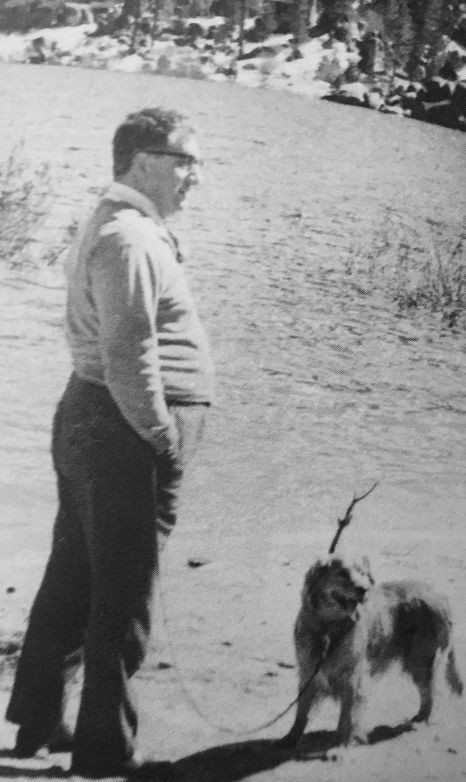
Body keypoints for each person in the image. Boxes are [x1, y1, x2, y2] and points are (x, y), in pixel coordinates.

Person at [6, 107, 214, 777]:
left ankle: (37, 721)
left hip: (94, 419)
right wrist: (159, 434)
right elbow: (129, 352)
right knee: (121, 592)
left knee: (73, 577)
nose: (195, 176)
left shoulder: (119, 225)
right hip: (122, 427)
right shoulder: (129, 238)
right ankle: (103, 750)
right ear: (144, 161)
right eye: (186, 160)